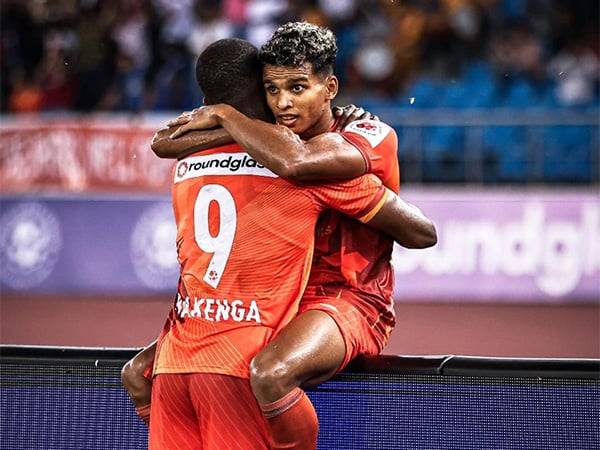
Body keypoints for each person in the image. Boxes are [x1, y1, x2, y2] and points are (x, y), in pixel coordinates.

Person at [141, 36, 436, 450]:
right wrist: (228, 124)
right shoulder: (267, 138)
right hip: (282, 296)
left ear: (329, 89)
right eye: (271, 90)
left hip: (346, 297)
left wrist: (223, 115)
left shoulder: (361, 134)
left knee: (271, 372)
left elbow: (298, 164)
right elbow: (164, 142)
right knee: (141, 372)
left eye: (296, 88)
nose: (282, 103)